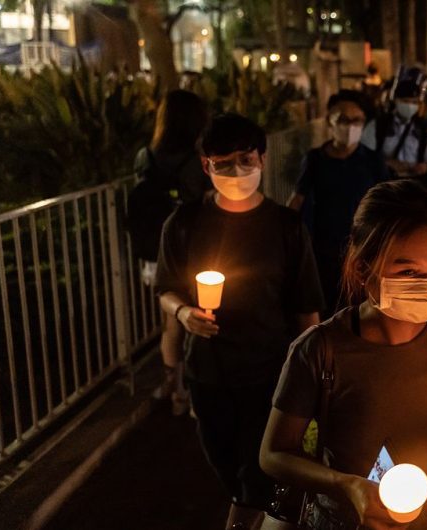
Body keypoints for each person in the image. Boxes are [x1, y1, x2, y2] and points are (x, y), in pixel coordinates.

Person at [260, 180, 427, 530]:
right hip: (338, 520)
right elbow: (273, 453)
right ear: (363, 269)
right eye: (408, 272)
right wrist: (346, 485)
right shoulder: (319, 349)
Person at [155, 113, 324, 530]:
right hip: (208, 373)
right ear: (205, 165)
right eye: (223, 162)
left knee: (256, 471)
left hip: (270, 371)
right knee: (228, 466)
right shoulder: (185, 223)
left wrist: (318, 381)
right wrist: (183, 313)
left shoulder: (286, 226)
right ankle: (262, 516)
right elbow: (167, 288)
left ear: (263, 159)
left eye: (245, 159)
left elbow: (307, 308)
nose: (236, 171)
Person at [130, 89, 210, 414]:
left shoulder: (144, 156)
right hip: (190, 250)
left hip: (154, 251)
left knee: (169, 319)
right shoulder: (196, 161)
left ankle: (174, 389)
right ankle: (190, 390)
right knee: (191, 318)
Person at [287, 90, 388, 317]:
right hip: (325, 247)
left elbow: (386, 201)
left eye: (356, 120)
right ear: (329, 123)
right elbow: (298, 198)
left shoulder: (373, 160)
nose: (350, 126)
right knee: (329, 304)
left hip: (364, 245)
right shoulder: (315, 159)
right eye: (342, 119)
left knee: (363, 306)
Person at [362, 79, 427, 185]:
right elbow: (364, 158)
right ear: (396, 100)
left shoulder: (423, 129)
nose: (410, 106)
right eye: (405, 101)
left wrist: (426, 168)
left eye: (414, 102)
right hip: (384, 185)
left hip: (413, 185)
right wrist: (386, 164)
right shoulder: (377, 126)